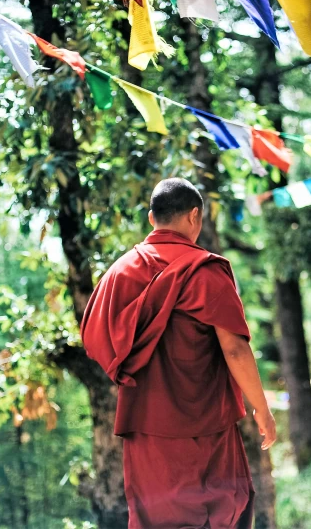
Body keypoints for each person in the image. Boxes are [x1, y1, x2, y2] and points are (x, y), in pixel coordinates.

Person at [80, 178, 277, 529]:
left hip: (144, 426)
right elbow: (234, 348)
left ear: (152, 218)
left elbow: (95, 341)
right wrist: (261, 409)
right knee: (221, 513)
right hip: (204, 425)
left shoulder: (118, 274)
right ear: (194, 216)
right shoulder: (204, 270)